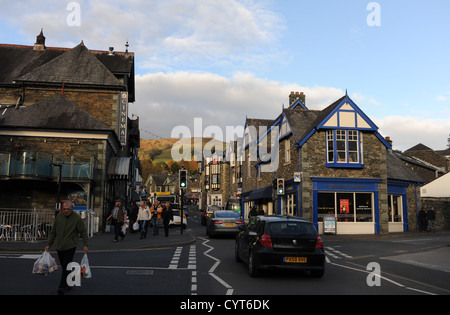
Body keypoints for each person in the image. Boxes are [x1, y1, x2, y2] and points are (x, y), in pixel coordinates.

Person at [45, 201, 88, 295]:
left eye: (68, 209)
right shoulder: (59, 217)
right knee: (65, 266)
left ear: (72, 209)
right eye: (64, 209)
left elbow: (83, 231)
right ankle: (70, 283)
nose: (66, 211)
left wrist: (85, 244)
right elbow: (53, 232)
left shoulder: (76, 218)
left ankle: (61, 287)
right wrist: (49, 244)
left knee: (66, 265)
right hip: (59, 246)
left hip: (70, 246)